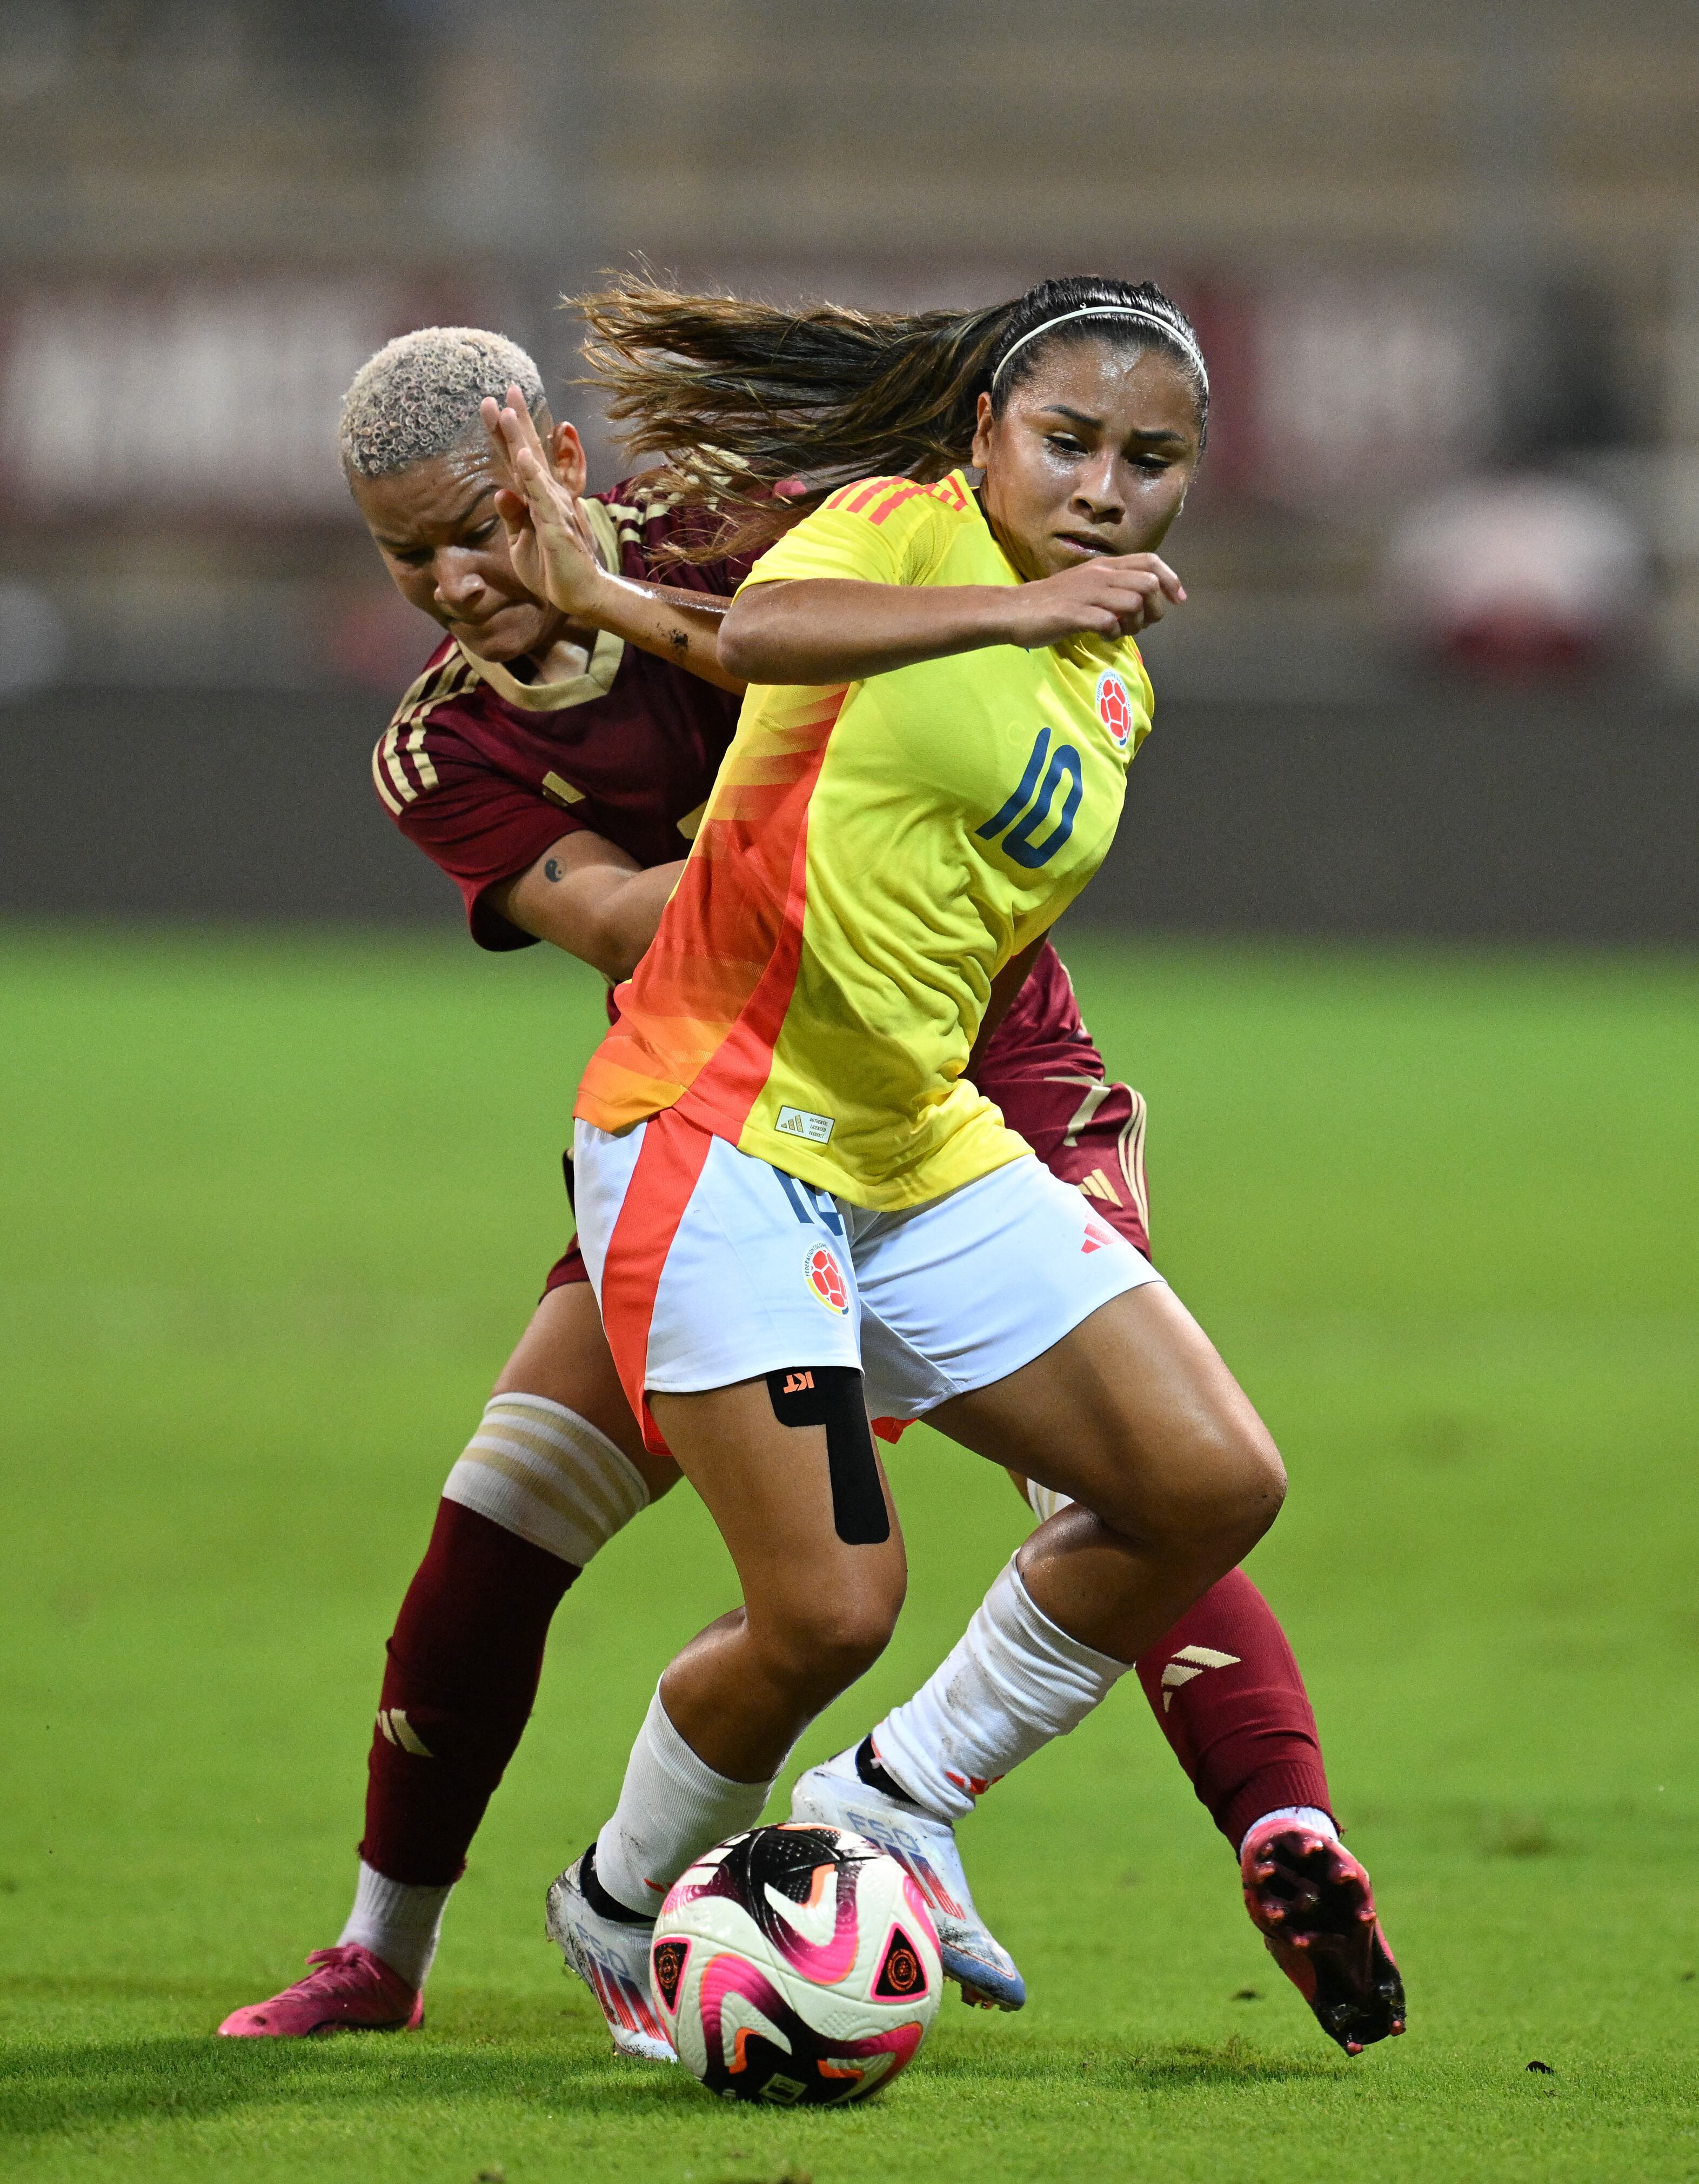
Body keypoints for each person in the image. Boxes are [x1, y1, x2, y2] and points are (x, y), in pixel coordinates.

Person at [218, 315, 1399, 2059]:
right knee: (520, 1509)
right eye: (412, 556)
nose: (462, 577)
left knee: (1146, 1468)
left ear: (555, 457)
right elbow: (633, 913)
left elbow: (810, 624)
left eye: (483, 521)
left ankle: (1170, 1813)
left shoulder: (735, 527)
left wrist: (799, 671)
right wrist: (841, 776)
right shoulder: (447, 749)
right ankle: (388, 1946)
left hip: (970, 1080)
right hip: (727, 1093)